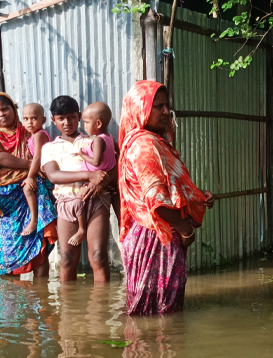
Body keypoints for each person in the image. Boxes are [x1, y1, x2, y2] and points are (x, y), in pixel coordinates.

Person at [118, 81, 215, 315]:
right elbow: (156, 200)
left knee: (150, 309)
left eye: (166, 105)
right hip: (157, 236)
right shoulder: (144, 145)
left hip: (154, 233)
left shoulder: (151, 141)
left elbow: (166, 186)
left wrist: (197, 195)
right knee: (160, 311)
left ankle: (144, 350)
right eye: (157, 106)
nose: (165, 112)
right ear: (139, 108)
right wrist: (185, 230)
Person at [0, 93, 58, 277]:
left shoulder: (26, 129)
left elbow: (41, 152)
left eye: (5, 108)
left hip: (30, 192)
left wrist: (33, 174)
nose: (2, 114)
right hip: (3, 202)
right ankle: (10, 300)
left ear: (13, 109)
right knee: (6, 253)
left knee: (40, 245)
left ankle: (42, 300)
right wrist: (29, 166)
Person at [41, 96, 115, 282]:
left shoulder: (95, 139)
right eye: (61, 118)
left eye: (72, 117)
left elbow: (115, 167)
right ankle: (68, 310)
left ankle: (101, 307)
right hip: (67, 202)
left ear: (79, 116)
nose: (67, 123)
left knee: (98, 255)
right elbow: (53, 175)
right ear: (53, 120)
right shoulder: (49, 147)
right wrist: (89, 176)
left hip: (97, 200)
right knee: (66, 258)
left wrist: (101, 183)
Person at [75, 102, 121, 229]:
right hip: (112, 181)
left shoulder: (98, 140)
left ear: (98, 123)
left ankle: (81, 229)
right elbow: (119, 151)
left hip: (98, 181)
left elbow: (96, 162)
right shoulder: (110, 136)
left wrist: (82, 154)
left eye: (86, 122)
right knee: (121, 216)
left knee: (79, 200)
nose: (84, 126)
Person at [21, 103, 51, 236]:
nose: (29, 122)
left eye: (34, 118)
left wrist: (31, 176)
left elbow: (38, 157)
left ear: (43, 120)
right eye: (26, 119)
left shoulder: (40, 135)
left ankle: (34, 220)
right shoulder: (32, 136)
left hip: (44, 172)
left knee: (27, 188)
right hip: (39, 171)